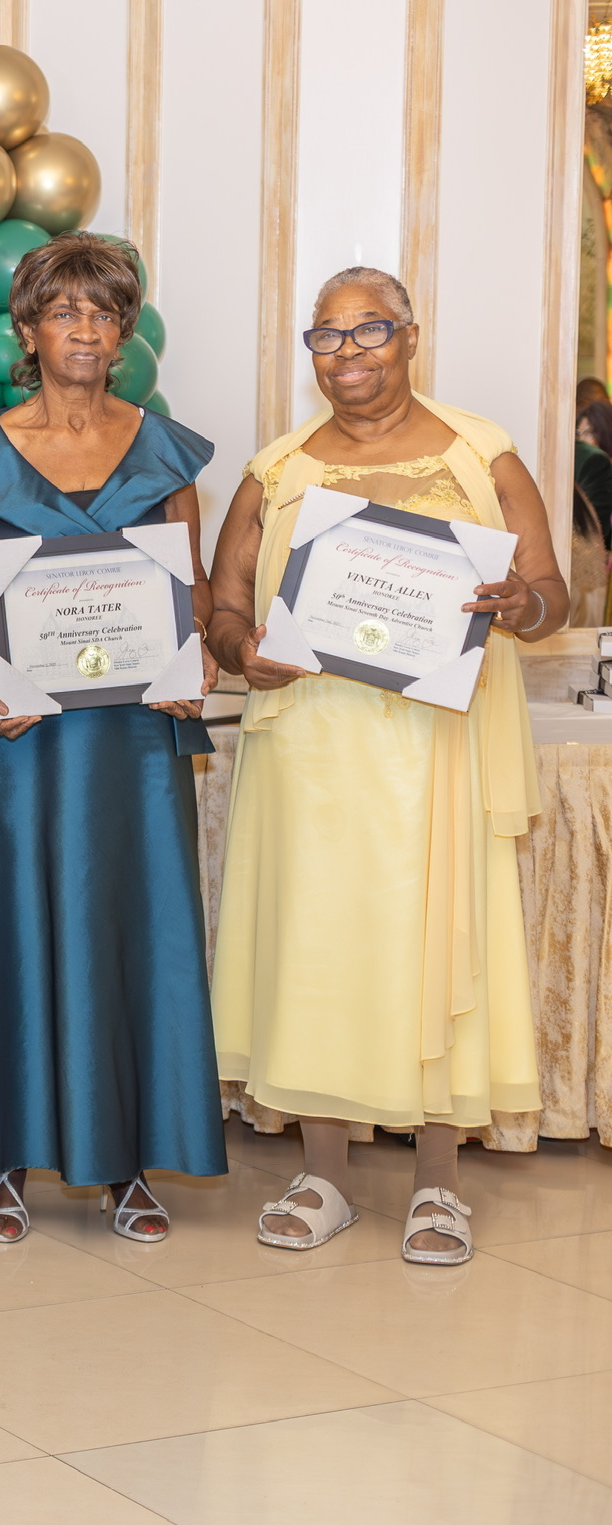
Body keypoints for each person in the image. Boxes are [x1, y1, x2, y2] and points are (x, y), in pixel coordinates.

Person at [210, 266, 563, 1266]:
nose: (348, 354)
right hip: (312, 752)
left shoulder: (481, 454)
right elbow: (223, 604)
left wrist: (521, 605)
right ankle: (324, 1177)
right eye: (327, 336)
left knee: (433, 945)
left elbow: (551, 595)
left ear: (410, 336)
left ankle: (438, 1184)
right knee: (318, 949)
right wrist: (242, 652)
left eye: (369, 331)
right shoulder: (277, 469)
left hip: (437, 750)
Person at [0, 233, 227, 1244]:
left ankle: (125, 1161)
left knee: (133, 928)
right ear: (28, 330)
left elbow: (193, 584)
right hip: (21, 735)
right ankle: (1, 1157)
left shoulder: (167, 450)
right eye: (63, 312)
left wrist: (195, 657)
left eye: (102, 312)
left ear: (124, 332)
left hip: (134, 738)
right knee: (9, 924)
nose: (84, 330)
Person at [571, 399, 612, 627]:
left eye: (592, 432)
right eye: (581, 433)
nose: (587, 440)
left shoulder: (596, 462)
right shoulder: (589, 461)